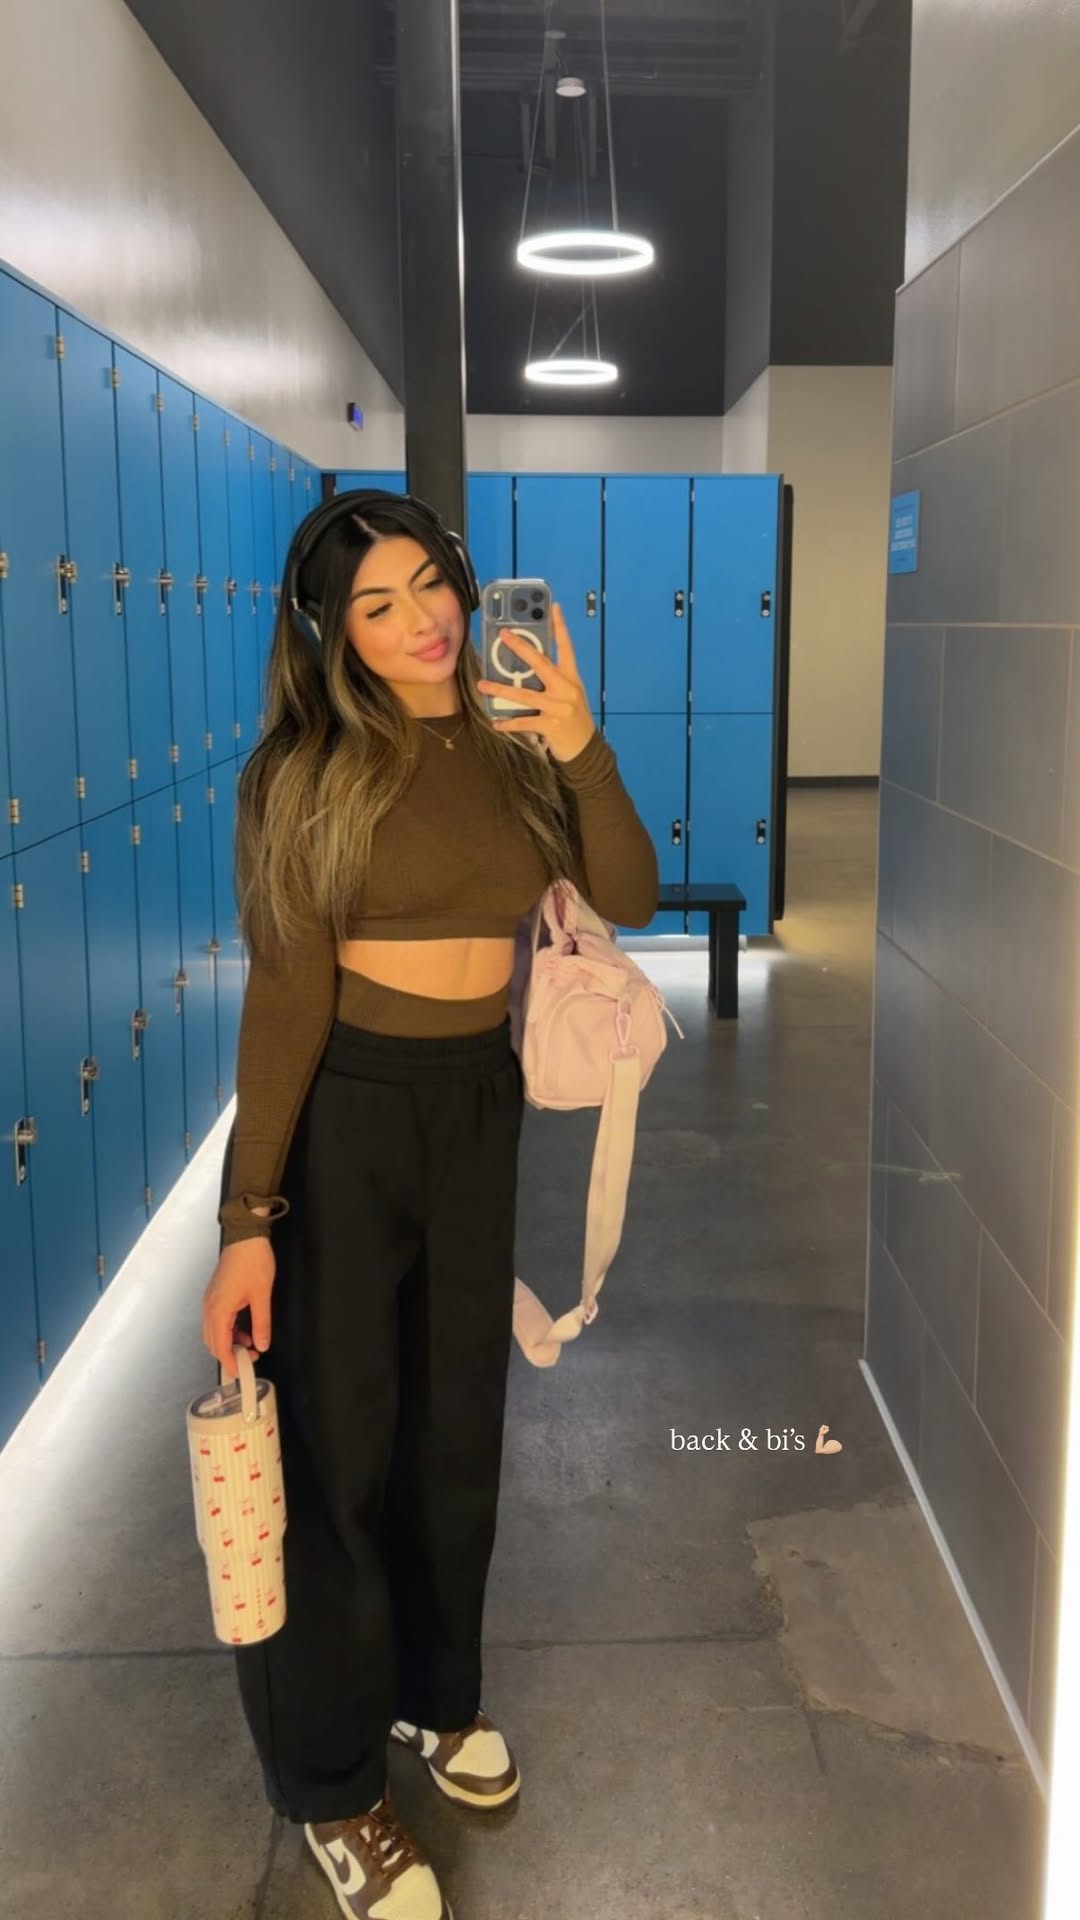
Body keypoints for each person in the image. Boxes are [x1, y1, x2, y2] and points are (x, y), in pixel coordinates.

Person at [201, 490, 658, 1920]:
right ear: (332, 633)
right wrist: (247, 1222)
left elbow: (631, 892)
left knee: (455, 1430)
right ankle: (333, 1785)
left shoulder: (519, 747)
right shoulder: (307, 771)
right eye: (377, 605)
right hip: (345, 1114)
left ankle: (432, 1694)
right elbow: (286, 1000)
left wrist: (579, 742)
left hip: (476, 1104)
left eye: (429, 586)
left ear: (464, 583)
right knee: (336, 1452)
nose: (420, 622)